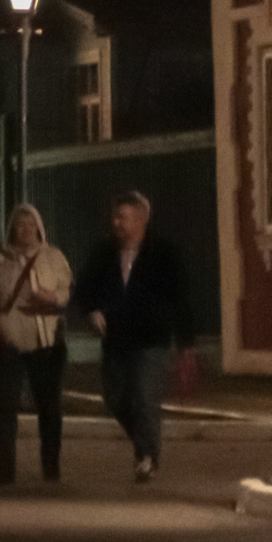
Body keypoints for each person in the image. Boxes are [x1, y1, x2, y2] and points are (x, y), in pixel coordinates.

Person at [71, 190, 197, 484]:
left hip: (152, 340)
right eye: (115, 216)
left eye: (123, 217)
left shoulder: (163, 253)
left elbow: (181, 299)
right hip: (116, 339)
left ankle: (148, 455)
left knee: (144, 396)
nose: (117, 223)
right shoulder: (104, 252)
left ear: (142, 219)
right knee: (115, 397)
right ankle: (144, 446)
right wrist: (92, 311)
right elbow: (83, 287)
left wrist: (185, 344)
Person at [0, 202, 72, 486]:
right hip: (9, 342)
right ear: (11, 229)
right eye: (20, 225)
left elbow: (66, 290)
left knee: (50, 407)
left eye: (32, 225)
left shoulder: (53, 258)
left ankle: (51, 465)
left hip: (46, 342)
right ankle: (5, 469)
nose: (26, 230)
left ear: (40, 229)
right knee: (6, 407)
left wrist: (53, 298)